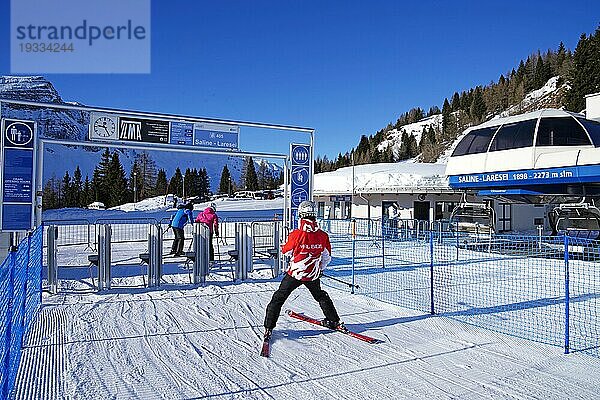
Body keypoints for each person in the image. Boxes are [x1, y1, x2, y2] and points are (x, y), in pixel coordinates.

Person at [263, 200, 344, 337]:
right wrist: (320, 269)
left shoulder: (296, 234)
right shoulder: (323, 235)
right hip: (313, 274)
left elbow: (286, 251)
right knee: (320, 296)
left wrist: (289, 246)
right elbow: (327, 256)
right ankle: (334, 320)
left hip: (295, 273)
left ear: (301, 215)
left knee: (279, 297)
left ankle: (269, 327)